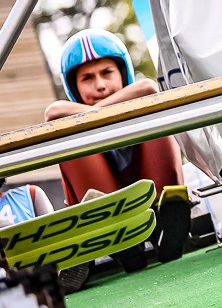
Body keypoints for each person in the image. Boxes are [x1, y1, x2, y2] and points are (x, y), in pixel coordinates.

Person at [47, 29, 190, 266]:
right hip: (107, 210)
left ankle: (166, 219)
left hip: (151, 195)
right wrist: (99, 113)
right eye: (87, 78)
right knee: (67, 132)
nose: (101, 85)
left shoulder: (141, 97)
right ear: (74, 86)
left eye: (107, 73)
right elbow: (53, 112)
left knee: (154, 112)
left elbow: (148, 88)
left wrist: (94, 111)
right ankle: (120, 235)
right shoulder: (67, 118)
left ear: (123, 73)